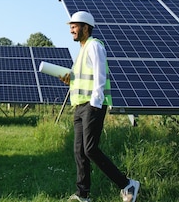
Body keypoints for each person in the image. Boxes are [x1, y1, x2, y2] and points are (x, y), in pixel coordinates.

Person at [60, 11, 140, 202]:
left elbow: (99, 74)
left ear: (85, 28)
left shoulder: (94, 46)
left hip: (92, 105)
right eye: (70, 26)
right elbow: (81, 79)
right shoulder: (82, 50)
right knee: (79, 151)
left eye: (75, 25)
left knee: (90, 149)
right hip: (80, 106)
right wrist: (68, 79)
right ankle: (83, 194)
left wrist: (96, 102)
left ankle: (127, 184)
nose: (71, 29)